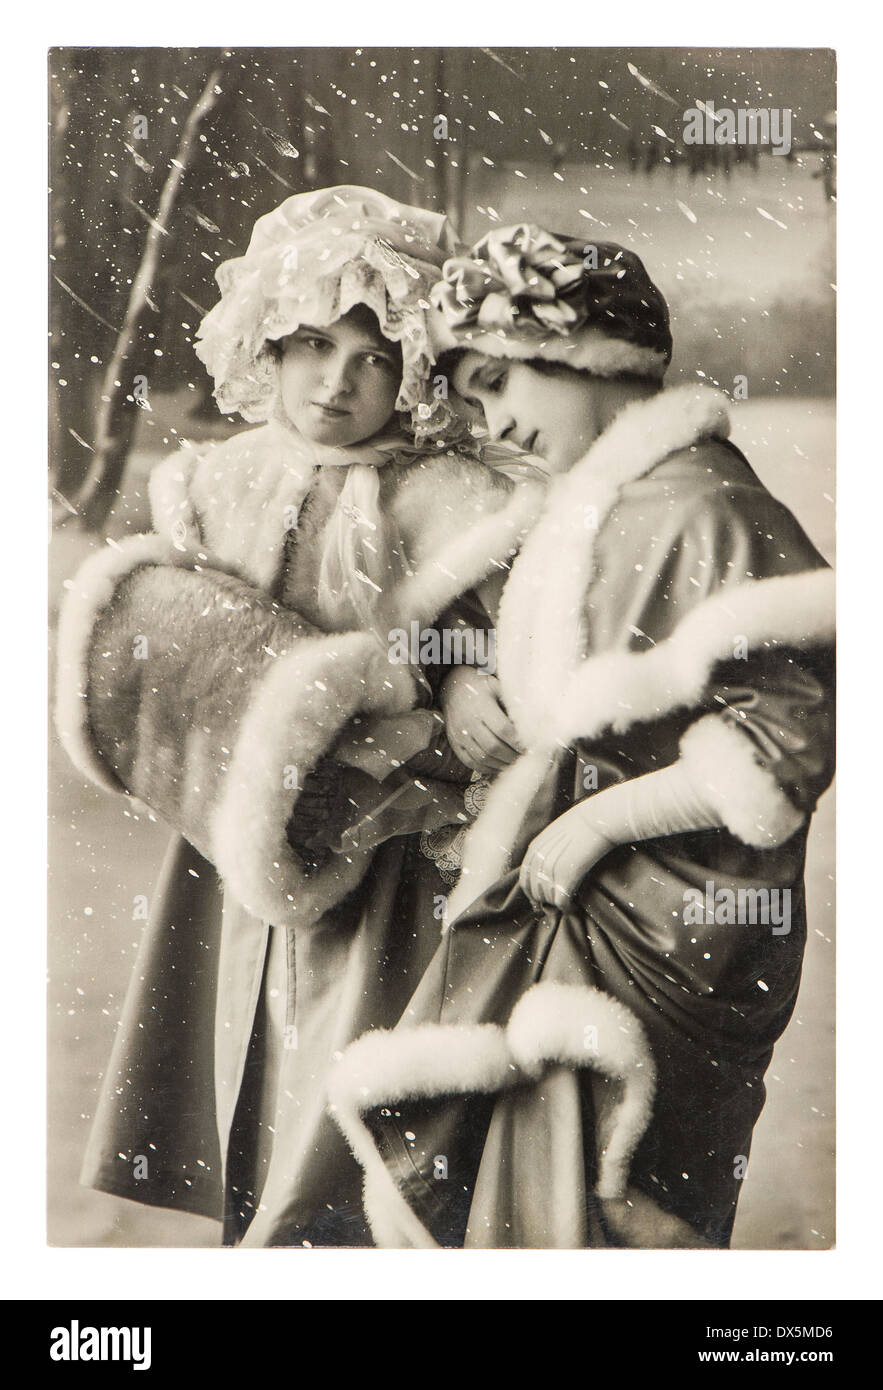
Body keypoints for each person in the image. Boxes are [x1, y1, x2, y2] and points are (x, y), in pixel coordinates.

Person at [327, 224, 836, 1249]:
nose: (493, 419)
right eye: (472, 398)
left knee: (602, 1208)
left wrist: (600, 820)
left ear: (587, 355)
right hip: (570, 921)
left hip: (661, 929)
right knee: (534, 1208)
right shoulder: (596, 502)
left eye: (499, 381)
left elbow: (784, 746)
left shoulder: (703, 503)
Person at [55, 188, 541, 1246]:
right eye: (311, 346)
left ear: (412, 376)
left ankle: (327, 1231)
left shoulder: (449, 497)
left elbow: (491, 639)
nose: (337, 381)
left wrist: (457, 678)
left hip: (386, 837)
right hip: (240, 818)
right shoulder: (211, 486)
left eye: (372, 359)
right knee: (243, 1033)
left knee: (351, 1064)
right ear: (264, 351)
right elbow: (167, 647)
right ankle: (260, 1225)